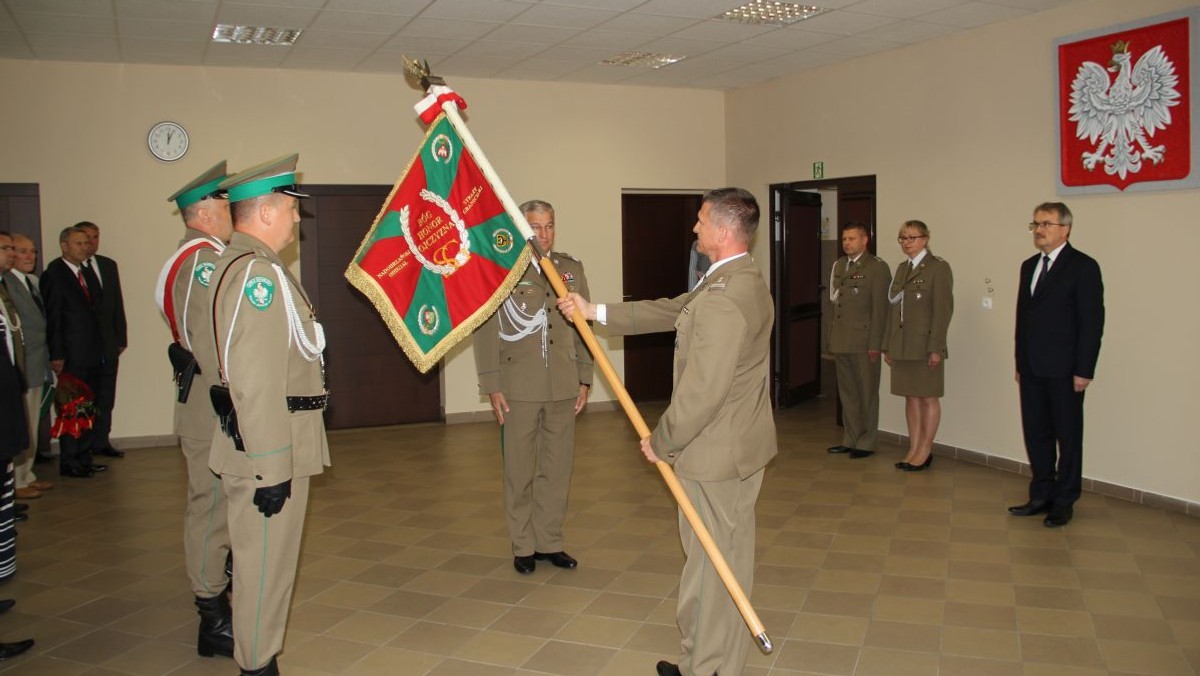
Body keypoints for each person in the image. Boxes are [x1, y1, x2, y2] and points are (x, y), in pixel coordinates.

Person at [558, 188, 777, 676]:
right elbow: (674, 308)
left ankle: (701, 666)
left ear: (722, 231)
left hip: (715, 454)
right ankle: (719, 661)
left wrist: (662, 442)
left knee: (707, 566)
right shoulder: (740, 279)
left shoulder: (725, 299)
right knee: (728, 558)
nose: (695, 228)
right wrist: (595, 312)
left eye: (701, 221)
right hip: (742, 446)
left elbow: (703, 392)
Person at [195, 154, 329, 676]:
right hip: (267, 452)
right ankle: (257, 664)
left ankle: (257, 656)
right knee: (264, 567)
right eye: (291, 209)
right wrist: (273, 468)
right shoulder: (259, 275)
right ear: (269, 213)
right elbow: (252, 378)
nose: (298, 219)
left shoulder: (237, 262)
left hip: (254, 442)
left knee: (262, 564)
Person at [474, 199, 593, 575]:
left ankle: (550, 542)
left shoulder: (569, 269)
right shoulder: (501, 269)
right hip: (518, 387)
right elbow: (485, 328)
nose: (543, 234)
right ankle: (523, 544)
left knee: (557, 469)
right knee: (519, 470)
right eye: (536, 227)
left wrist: (584, 376)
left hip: (562, 382)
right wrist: (492, 383)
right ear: (521, 228)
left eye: (549, 226)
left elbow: (581, 327)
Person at [156, 161, 235, 658]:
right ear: (204, 212)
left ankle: (219, 593)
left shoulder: (201, 253)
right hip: (211, 405)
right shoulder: (202, 260)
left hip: (211, 401)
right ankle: (212, 616)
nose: (232, 213)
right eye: (226, 205)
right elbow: (210, 341)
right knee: (210, 508)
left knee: (221, 506)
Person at [1010, 202, 1104, 528]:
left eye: (1046, 224)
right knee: (1037, 433)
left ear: (1065, 228)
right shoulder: (1028, 266)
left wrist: (1084, 369)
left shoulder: (1083, 267)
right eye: (1035, 224)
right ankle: (1041, 494)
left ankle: (1064, 500)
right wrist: (1020, 361)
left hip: (1066, 369)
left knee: (1068, 436)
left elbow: (1091, 323)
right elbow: (1023, 319)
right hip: (1033, 367)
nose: (1039, 230)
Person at [882, 220, 953, 471]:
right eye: (903, 238)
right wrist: (887, 345)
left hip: (924, 345)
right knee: (911, 397)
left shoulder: (938, 268)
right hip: (902, 345)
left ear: (925, 239)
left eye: (912, 237)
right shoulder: (902, 269)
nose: (907, 242)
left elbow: (942, 312)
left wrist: (936, 347)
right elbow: (893, 310)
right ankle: (913, 447)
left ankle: (925, 449)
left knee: (928, 397)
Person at [39, 227, 106, 477]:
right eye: (78, 243)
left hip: (92, 353)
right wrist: (57, 354)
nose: (84, 247)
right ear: (64, 245)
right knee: (71, 408)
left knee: (89, 406)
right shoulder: (55, 274)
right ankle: (69, 460)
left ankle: (84, 456)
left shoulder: (86, 272)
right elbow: (54, 318)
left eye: (86, 242)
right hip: (71, 354)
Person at [826, 222, 890, 460]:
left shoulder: (876, 267)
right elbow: (834, 304)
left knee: (867, 393)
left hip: (864, 342)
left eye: (852, 239)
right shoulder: (840, 265)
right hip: (842, 339)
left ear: (865, 241)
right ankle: (850, 438)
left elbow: (880, 310)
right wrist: (831, 337)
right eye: (844, 239)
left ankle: (867, 440)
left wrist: (876, 344)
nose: (846, 243)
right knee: (848, 393)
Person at [4, 234, 55, 499]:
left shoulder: (31, 282)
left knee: (34, 420)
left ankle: (27, 474)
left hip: (38, 361)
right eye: (20, 251)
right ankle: (18, 481)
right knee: (25, 422)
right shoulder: (8, 284)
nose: (28, 256)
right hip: (23, 365)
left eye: (32, 252)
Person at [73, 221, 126, 459]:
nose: (91, 242)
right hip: (85, 349)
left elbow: (116, 305)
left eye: (95, 237)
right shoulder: (71, 270)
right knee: (85, 399)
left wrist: (120, 336)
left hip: (109, 344)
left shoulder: (107, 265)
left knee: (106, 396)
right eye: (86, 238)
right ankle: (82, 447)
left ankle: (101, 441)